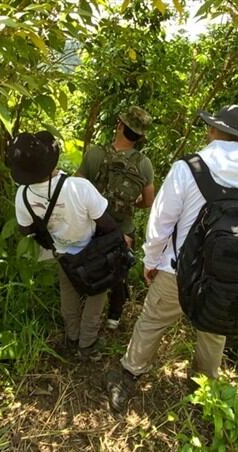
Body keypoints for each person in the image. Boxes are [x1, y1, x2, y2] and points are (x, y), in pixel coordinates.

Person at [106, 105, 238, 411]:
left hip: (178, 270)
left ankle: (130, 374)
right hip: (226, 275)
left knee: (152, 321)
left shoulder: (189, 168)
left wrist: (151, 261)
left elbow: (161, 222)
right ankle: (204, 388)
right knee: (214, 331)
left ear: (212, 130)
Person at [10, 131, 121, 360]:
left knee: (68, 294)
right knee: (96, 294)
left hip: (61, 253)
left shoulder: (22, 196)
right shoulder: (79, 187)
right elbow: (106, 222)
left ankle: (72, 337)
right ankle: (87, 344)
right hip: (92, 253)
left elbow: (25, 230)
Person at [76, 106, 155, 330]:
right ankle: (114, 316)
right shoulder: (144, 164)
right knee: (118, 272)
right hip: (123, 229)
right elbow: (148, 201)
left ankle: (86, 310)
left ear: (120, 126)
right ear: (140, 137)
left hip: (93, 226)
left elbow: (77, 187)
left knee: (89, 266)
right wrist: (132, 204)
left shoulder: (95, 153)